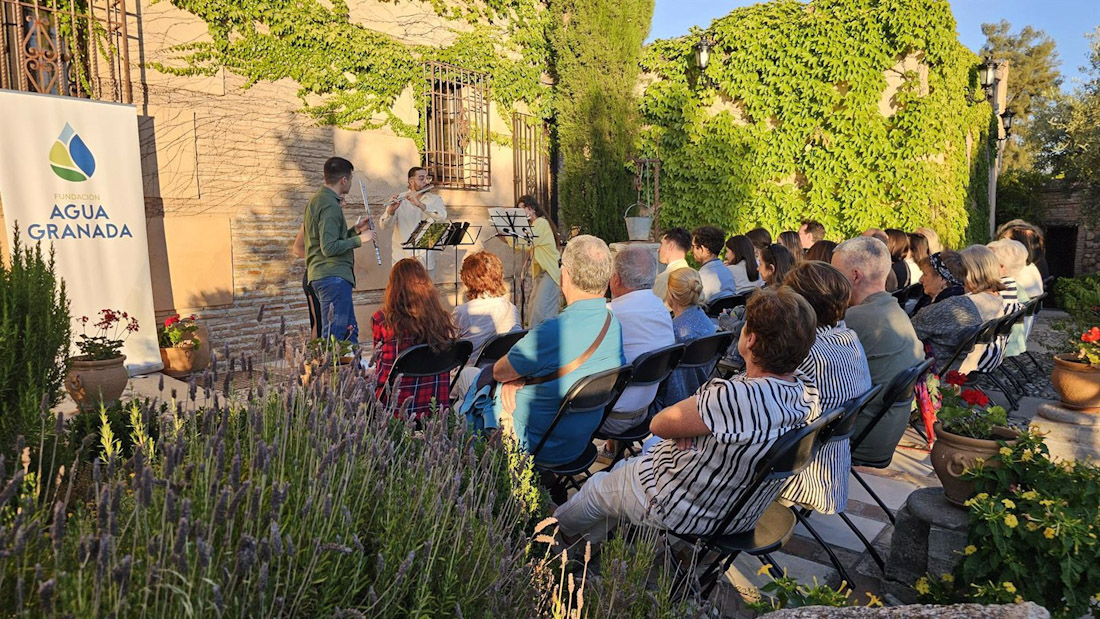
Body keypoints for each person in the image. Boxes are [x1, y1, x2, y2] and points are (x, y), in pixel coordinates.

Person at [553, 287, 820, 542]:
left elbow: (659, 424)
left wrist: (689, 429)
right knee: (632, 464)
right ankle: (588, 543)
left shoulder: (731, 398)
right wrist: (692, 431)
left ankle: (555, 535)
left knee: (598, 487)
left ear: (750, 339)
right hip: (740, 508)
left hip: (688, 506)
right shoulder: (806, 392)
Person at [488, 235, 625, 467]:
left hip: (540, 444)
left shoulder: (553, 331)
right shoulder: (612, 323)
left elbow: (500, 371)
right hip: (580, 440)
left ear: (566, 275)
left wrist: (513, 378)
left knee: (475, 387)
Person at [778, 261, 872, 514]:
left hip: (797, 474)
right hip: (831, 467)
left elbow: (756, 404)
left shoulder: (805, 351)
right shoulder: (848, 338)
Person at [832, 238, 925, 465]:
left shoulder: (856, 319)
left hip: (857, 439)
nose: (831, 281)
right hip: (884, 433)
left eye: (835, 274)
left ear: (855, 276)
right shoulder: (895, 311)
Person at [371, 259, 457, 418]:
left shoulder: (383, 320)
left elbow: (382, 374)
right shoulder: (441, 320)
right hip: (435, 407)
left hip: (395, 410)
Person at [603, 246, 675, 434]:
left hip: (608, 417)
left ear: (616, 279)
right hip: (644, 411)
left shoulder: (608, 316)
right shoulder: (663, 311)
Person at [304, 156, 374, 343]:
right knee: (335, 335)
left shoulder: (319, 200)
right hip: (332, 276)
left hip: (327, 275)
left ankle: (354, 371)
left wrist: (355, 230)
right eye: (350, 179)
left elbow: (329, 239)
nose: (350, 183)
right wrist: (360, 239)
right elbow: (329, 247)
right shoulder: (329, 204)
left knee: (349, 331)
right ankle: (333, 373)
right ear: (344, 180)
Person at [912, 245, 1006, 371]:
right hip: (966, 364)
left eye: (961, 268)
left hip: (937, 370)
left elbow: (908, 333)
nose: (957, 273)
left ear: (971, 272)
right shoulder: (995, 298)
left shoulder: (958, 305)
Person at [653, 268, 716, 412]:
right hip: (700, 396)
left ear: (671, 295)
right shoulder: (706, 321)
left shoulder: (673, 332)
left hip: (671, 403)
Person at [500, 195, 562, 327]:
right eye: (518, 208)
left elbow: (528, 243)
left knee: (542, 311)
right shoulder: (533, 225)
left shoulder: (541, 223)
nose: (520, 211)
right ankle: (537, 340)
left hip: (550, 272)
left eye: (523, 207)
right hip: (542, 272)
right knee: (533, 308)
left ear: (532, 208)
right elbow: (523, 244)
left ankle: (541, 342)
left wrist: (508, 237)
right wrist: (507, 238)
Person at [452, 250, 521, 358]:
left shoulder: (463, 312)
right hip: (504, 369)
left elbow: (449, 346)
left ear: (467, 279)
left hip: (473, 371)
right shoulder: (512, 309)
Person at [379, 166, 448, 272]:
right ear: (411, 181)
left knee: (426, 289)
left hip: (426, 259)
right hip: (402, 259)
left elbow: (442, 216)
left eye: (427, 178)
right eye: (421, 178)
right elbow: (384, 226)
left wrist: (421, 205)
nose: (426, 181)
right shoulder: (399, 199)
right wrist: (391, 211)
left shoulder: (435, 199)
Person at [987, 239, 1031, 357]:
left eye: (989, 261)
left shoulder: (1000, 290)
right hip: (1014, 341)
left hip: (999, 344)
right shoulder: (1017, 288)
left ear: (1001, 266)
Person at [995, 220, 1046, 297]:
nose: (999, 244)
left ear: (1020, 246)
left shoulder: (1015, 271)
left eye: (1005, 241)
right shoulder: (1031, 268)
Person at [691, 226, 738, 303]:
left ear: (703, 249)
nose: (691, 250)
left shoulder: (699, 277)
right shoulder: (728, 272)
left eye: (693, 247)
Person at [292, 226, 322, 339]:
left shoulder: (335, 217)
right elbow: (297, 248)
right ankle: (317, 355)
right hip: (313, 276)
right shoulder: (310, 219)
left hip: (331, 277)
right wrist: (320, 260)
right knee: (318, 322)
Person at [653, 227, 691, 304]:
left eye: (662, 244)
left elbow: (651, 307)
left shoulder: (664, 279)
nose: (658, 249)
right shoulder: (694, 276)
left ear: (671, 246)